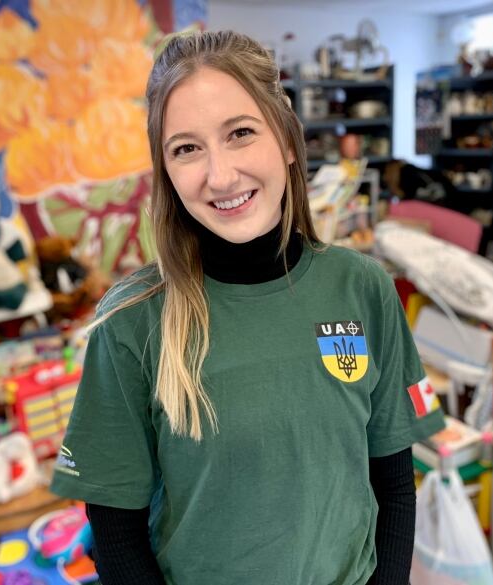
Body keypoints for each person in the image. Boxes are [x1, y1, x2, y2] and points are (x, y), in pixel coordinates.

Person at [50, 30, 445, 585]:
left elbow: (394, 484)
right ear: (165, 169)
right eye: (186, 148)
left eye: (240, 133)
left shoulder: (363, 289)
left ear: (286, 140)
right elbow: (115, 532)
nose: (220, 175)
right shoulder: (132, 322)